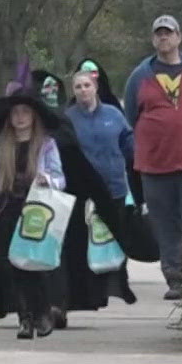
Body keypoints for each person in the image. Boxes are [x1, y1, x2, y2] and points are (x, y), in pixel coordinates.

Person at [122, 15, 182, 300]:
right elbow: (131, 115)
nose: (163, 38)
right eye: (158, 34)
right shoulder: (140, 76)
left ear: (179, 37)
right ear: (153, 39)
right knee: (164, 223)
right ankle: (176, 279)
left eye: (168, 33)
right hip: (154, 165)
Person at [0, 87, 66, 339]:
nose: (20, 117)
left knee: (32, 266)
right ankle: (24, 319)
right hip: (6, 209)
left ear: (34, 116)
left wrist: (48, 180)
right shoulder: (0, 145)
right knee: (11, 266)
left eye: (25, 112)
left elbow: (59, 178)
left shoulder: (46, 146)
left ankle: (42, 312)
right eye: (16, 113)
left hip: (34, 211)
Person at [63, 63, 140, 311]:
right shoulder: (68, 119)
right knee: (84, 242)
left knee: (116, 239)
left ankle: (119, 287)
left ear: (96, 88)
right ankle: (88, 293)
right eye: (78, 87)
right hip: (81, 190)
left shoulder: (114, 115)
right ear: (73, 92)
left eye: (87, 85)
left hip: (113, 187)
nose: (83, 90)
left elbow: (129, 146)